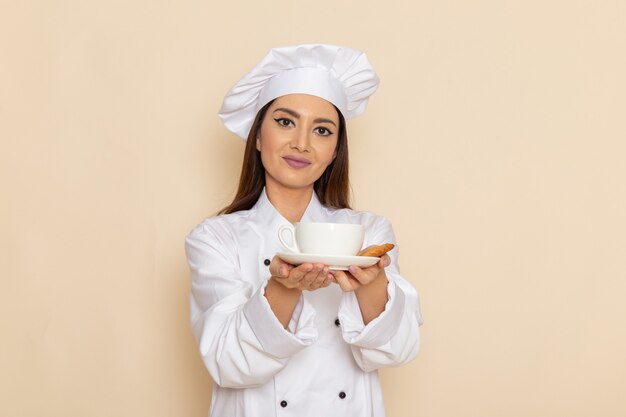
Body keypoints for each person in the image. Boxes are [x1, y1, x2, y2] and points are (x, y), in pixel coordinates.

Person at [185, 44, 423, 417]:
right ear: (258, 136)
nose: (302, 143)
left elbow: (398, 349)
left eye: (322, 130)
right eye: (285, 122)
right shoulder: (215, 239)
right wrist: (283, 288)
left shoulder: (367, 231)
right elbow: (228, 363)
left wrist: (372, 282)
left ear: (334, 151)